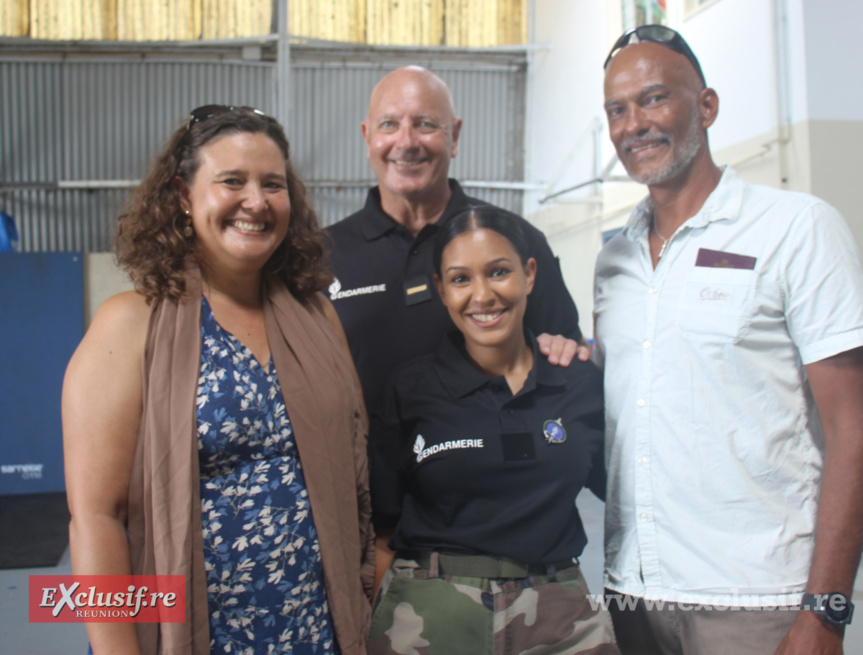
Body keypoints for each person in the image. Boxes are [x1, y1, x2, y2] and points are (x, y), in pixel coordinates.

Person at [62, 106, 373, 654]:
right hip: (193, 636)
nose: (256, 201)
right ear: (184, 196)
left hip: (314, 631)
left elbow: (353, 473)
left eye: (272, 184)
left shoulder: (316, 315)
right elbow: (96, 519)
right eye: (232, 181)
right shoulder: (130, 324)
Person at [594, 25, 863, 655]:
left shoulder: (796, 228)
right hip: (632, 595)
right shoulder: (615, 261)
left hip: (759, 601)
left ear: (707, 106)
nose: (635, 123)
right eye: (617, 109)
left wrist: (825, 610)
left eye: (655, 99)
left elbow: (854, 428)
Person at [367, 205, 619, 655]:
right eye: (461, 279)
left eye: (499, 272)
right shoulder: (411, 390)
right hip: (430, 612)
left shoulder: (577, 382)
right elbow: (384, 530)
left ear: (530, 275)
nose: (482, 295)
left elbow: (624, 492)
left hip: (560, 610)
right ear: (442, 290)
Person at [326, 66, 587, 419]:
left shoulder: (518, 242)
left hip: (491, 469)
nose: (406, 142)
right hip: (367, 471)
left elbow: (564, 358)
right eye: (389, 125)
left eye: (425, 124)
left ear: (455, 136)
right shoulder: (322, 256)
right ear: (366, 137)